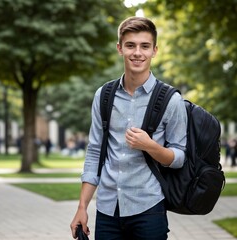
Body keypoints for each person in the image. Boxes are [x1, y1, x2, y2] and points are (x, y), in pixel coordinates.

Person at [70, 16, 187, 240]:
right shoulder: (103, 95)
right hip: (107, 209)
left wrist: (150, 146)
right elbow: (95, 151)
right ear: (119, 48)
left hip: (149, 208)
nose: (137, 52)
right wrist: (82, 207)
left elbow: (179, 156)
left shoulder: (171, 100)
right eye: (130, 45)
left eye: (144, 46)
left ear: (154, 50)